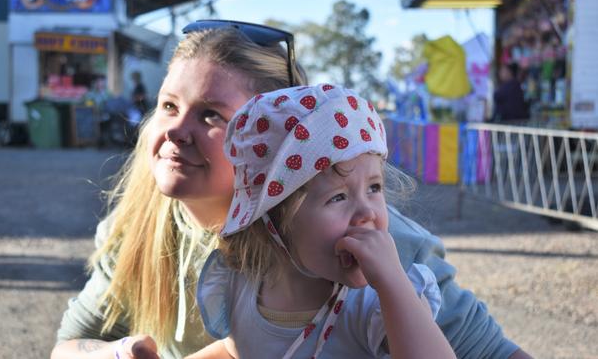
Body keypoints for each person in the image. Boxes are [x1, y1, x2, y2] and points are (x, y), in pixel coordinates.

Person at [51, 20, 533, 359]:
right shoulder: (141, 223)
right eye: (169, 106)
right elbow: (69, 344)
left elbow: (492, 352)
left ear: (272, 143)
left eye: (212, 115)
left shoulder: (365, 240)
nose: (177, 131)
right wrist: (115, 352)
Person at [196, 84, 456, 358]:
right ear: (273, 220)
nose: (367, 212)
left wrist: (393, 283)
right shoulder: (242, 287)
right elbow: (234, 349)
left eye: (374, 188)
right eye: (338, 197)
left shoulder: (377, 305)